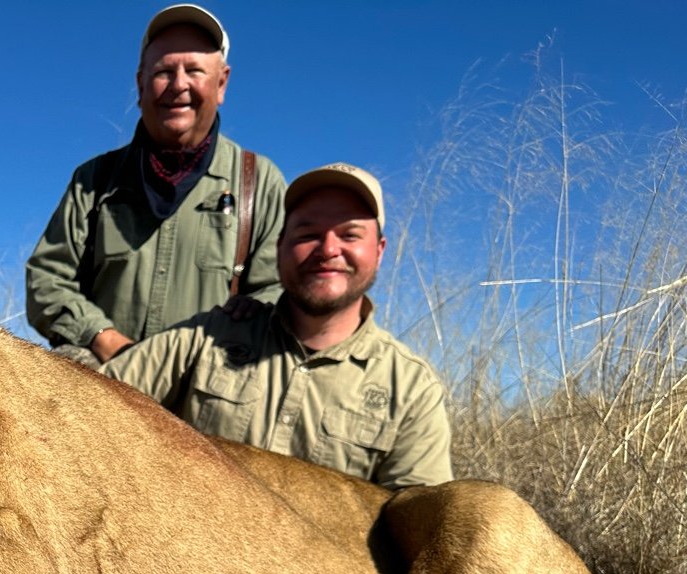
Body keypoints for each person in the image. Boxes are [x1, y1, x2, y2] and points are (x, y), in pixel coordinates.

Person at [103, 163, 453, 489]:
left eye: (349, 235)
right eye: (307, 233)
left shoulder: (412, 389)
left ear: (379, 251)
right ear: (280, 246)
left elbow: (421, 528)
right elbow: (94, 407)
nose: (328, 249)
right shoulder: (206, 338)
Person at [25, 4, 286, 365]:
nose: (179, 85)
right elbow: (46, 279)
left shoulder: (260, 182)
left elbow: (279, 290)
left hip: (204, 386)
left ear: (222, 83)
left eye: (195, 71)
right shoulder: (94, 180)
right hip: (107, 379)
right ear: (140, 83)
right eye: (164, 71)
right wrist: (103, 339)